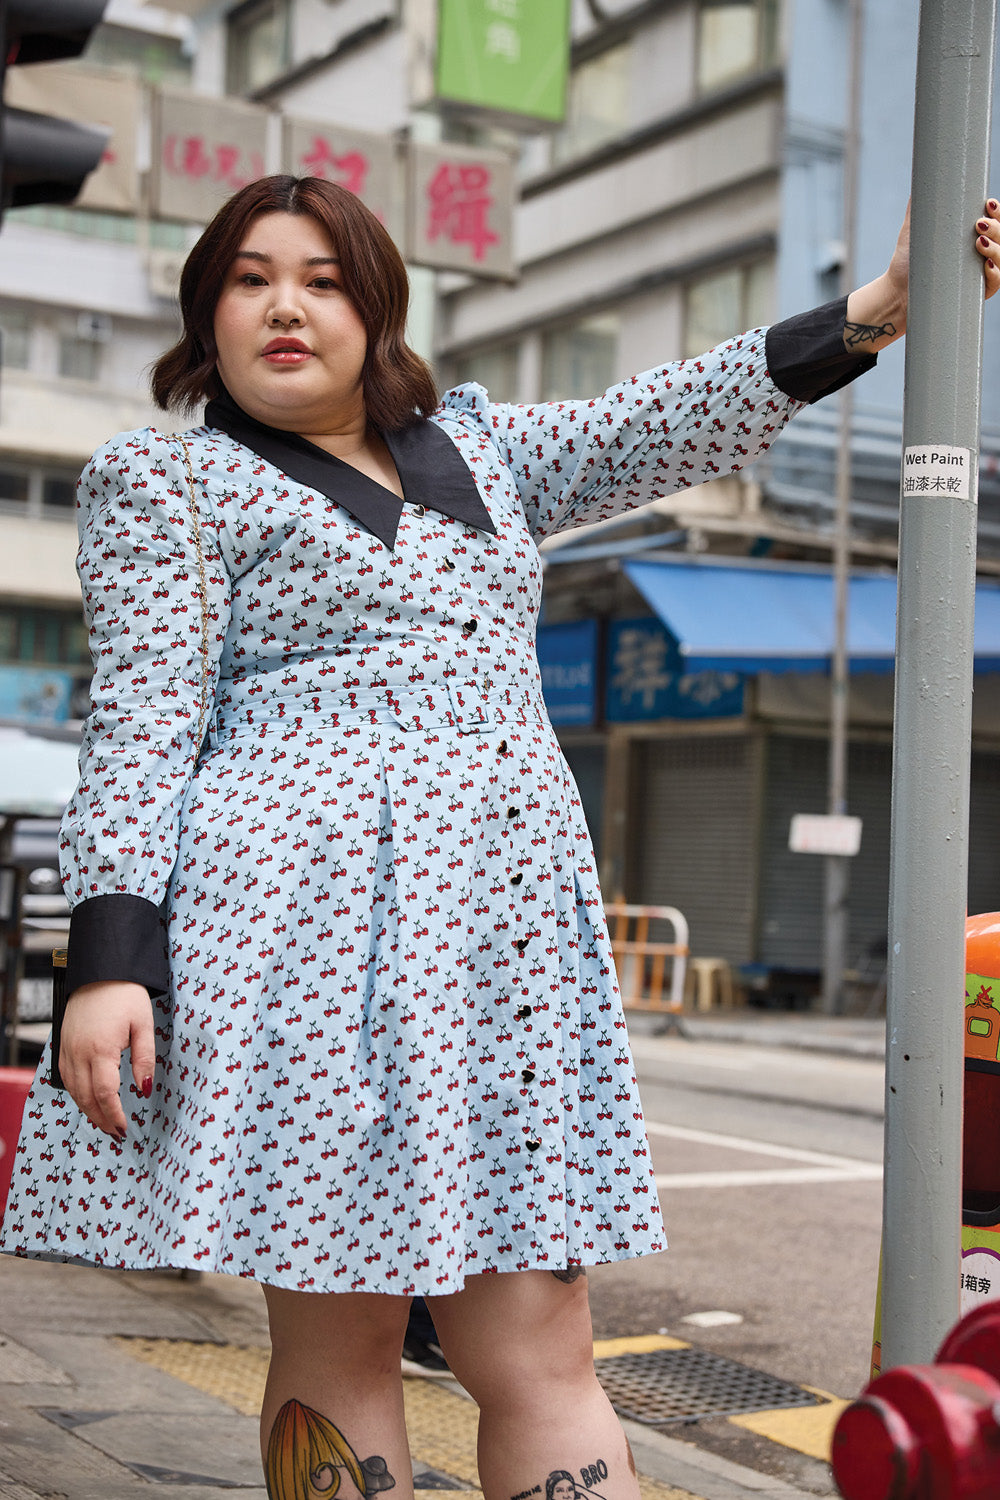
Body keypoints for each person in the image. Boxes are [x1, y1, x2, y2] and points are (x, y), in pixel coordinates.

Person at [2, 175, 997, 1500]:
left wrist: (881, 307)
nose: (286, 305)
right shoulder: (166, 480)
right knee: (339, 1323)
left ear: (379, 309)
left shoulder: (481, 451)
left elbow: (667, 420)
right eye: (249, 279)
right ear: (207, 316)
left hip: (495, 946)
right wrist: (111, 955)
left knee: (539, 1335)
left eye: (324, 278)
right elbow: (141, 726)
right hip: (296, 941)